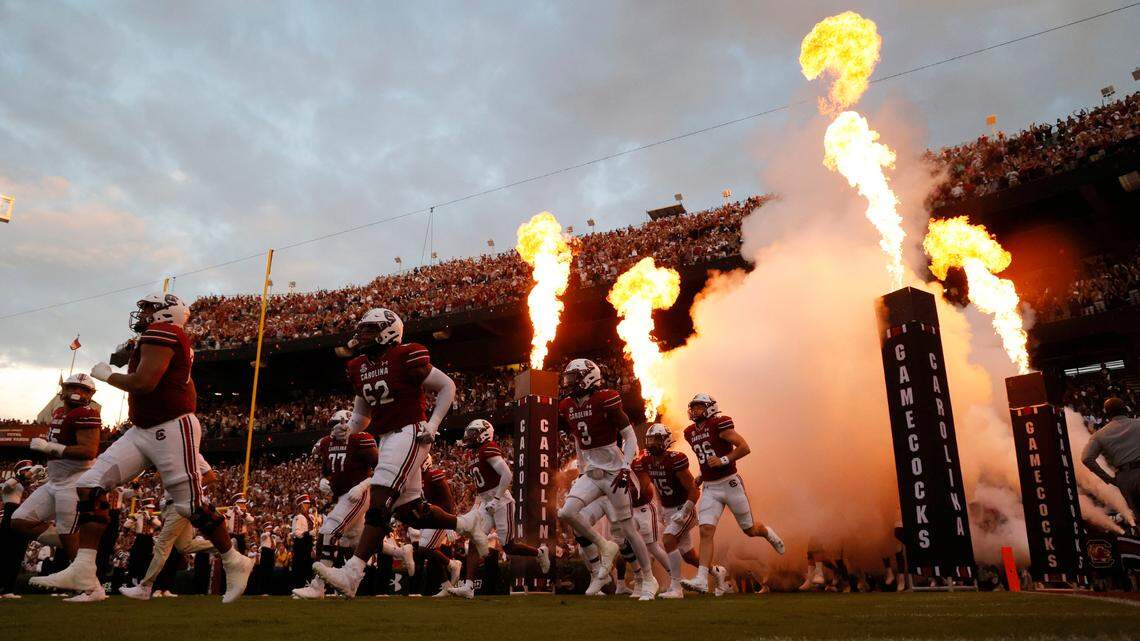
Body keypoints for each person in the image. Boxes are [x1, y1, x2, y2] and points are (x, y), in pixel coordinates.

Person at [31, 293, 253, 603]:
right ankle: (83, 567)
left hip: (172, 426)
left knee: (191, 505)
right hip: (144, 428)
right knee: (89, 484)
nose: (143, 313)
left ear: (165, 312)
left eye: (148, 307)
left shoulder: (162, 332)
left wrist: (109, 375)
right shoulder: (163, 334)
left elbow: (145, 382)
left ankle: (234, 560)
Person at [315, 308, 485, 598]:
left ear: (388, 331)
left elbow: (447, 386)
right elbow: (361, 417)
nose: (363, 335)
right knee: (412, 512)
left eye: (370, 329)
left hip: (410, 431)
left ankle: (352, 573)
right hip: (387, 436)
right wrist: (346, 431)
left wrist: (432, 424)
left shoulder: (405, 355)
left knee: (379, 499)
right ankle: (466, 523)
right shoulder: (359, 367)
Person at [556, 358, 657, 600]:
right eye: (569, 378)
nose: (570, 383)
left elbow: (630, 436)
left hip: (613, 471)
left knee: (628, 528)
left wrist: (625, 466)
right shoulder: (567, 405)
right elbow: (579, 443)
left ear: (589, 377)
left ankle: (649, 579)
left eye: (574, 377)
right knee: (566, 512)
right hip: (591, 472)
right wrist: (581, 469)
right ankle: (604, 545)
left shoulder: (606, 398)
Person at [680, 393, 784, 594]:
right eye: (693, 407)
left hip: (730, 484)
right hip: (710, 487)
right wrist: (702, 474)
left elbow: (744, 447)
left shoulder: (720, 424)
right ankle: (701, 578)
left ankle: (767, 532)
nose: (695, 411)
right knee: (706, 531)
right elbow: (706, 457)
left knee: (749, 529)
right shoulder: (690, 432)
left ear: (710, 408)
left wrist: (724, 460)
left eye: (699, 407)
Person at [293, 410, 390, 600]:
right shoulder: (327, 443)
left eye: (339, 423)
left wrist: (363, 485)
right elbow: (327, 470)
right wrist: (323, 479)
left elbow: (382, 468)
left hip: (357, 495)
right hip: (342, 496)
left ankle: (318, 587)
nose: (335, 427)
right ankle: (399, 554)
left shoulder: (360, 440)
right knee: (353, 541)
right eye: (333, 423)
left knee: (328, 531)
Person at [448, 419, 550, 599]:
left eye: (474, 432)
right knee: (474, 538)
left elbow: (507, 474)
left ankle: (539, 552)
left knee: (509, 546)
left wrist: (495, 499)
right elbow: (481, 488)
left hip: (501, 500)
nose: (469, 436)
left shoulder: (488, 448)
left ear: (484, 433)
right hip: (487, 501)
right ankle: (468, 586)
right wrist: (476, 507)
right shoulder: (475, 453)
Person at [13, 374, 101, 568]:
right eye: (72, 387)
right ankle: (83, 548)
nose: (77, 392)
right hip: (55, 480)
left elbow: (89, 451)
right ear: (63, 389)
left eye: (84, 389)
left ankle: (88, 586)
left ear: (91, 394)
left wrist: (49, 448)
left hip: (74, 481)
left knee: (69, 537)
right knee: (20, 521)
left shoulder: (87, 413)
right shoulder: (60, 411)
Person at [119, 455, 217, 600]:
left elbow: (211, 476)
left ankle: (145, 587)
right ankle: (224, 546)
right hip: (172, 504)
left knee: (162, 545)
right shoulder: (173, 453)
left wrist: (188, 491)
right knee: (185, 546)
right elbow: (159, 476)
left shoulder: (193, 455)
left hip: (181, 504)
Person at [632, 423, 701, 598]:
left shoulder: (675, 459)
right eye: (650, 440)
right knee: (689, 556)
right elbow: (648, 486)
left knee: (668, 540)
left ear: (666, 440)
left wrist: (685, 511)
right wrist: (661, 509)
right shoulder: (647, 461)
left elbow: (694, 490)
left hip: (685, 508)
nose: (652, 443)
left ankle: (676, 588)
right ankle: (718, 572)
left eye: (656, 440)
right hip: (669, 510)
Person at [1082, 397, 1140, 514]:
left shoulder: (1099, 435)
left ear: (1107, 414)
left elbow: (1086, 458)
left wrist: (1108, 479)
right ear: (1125, 409)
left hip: (1124, 479)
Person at [1, 461, 42, 598]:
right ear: (20, 471)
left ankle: (8, 589)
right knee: (5, 553)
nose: (29, 474)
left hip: (24, 518)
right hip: (11, 515)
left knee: (17, 555)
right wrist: (28, 475)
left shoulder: (28, 487)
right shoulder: (12, 483)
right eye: (26, 471)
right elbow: (7, 486)